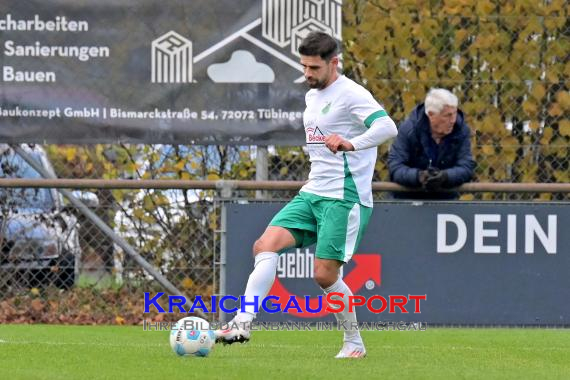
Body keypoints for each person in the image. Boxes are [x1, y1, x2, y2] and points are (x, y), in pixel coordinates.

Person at [215, 31, 398, 358]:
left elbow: (387, 127)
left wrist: (351, 143)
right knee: (264, 245)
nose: (308, 74)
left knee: (325, 275)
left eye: (314, 68)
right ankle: (243, 322)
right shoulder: (312, 96)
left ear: (334, 63)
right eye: (304, 67)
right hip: (312, 192)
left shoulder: (352, 94)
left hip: (344, 198)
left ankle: (354, 343)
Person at [387, 88, 475, 199]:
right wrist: (419, 177)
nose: (453, 120)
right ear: (431, 115)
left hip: (445, 200)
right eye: (447, 115)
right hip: (406, 199)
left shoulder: (461, 131)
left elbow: (466, 167)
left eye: (454, 114)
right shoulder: (409, 130)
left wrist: (444, 177)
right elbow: (395, 167)